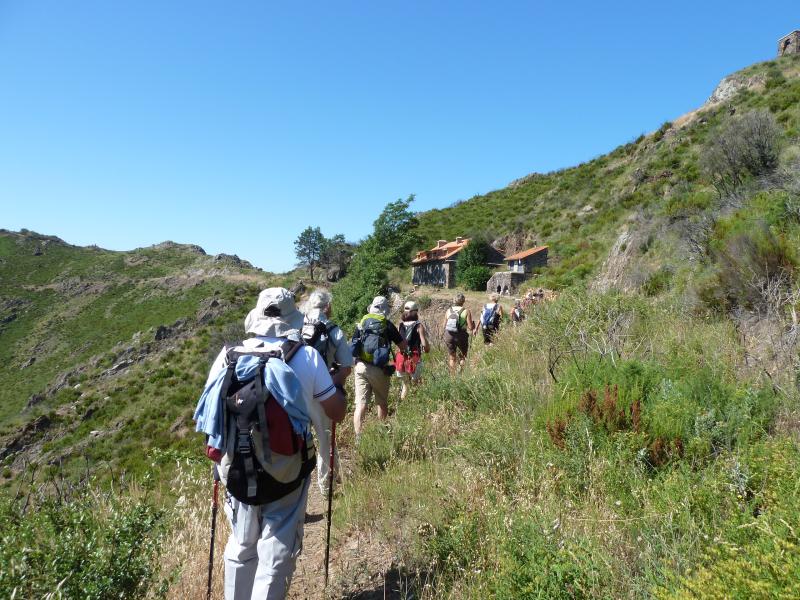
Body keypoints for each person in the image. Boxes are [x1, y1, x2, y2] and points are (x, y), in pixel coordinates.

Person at [195, 288, 346, 600]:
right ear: (292, 318)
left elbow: (211, 415)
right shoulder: (306, 356)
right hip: (286, 467)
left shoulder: (228, 355)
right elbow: (336, 412)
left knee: (242, 541)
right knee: (276, 548)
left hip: (235, 466)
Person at [300, 289, 352, 495]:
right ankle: (326, 485)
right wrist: (334, 383)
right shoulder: (333, 330)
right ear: (327, 307)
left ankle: (299, 486)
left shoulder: (297, 326)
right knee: (325, 438)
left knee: (300, 439)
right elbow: (347, 366)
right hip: (323, 391)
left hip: (298, 391)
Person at [352, 296, 407, 437]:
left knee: (360, 404)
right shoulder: (386, 324)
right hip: (379, 368)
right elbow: (402, 346)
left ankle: (358, 437)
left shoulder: (363, 322)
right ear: (385, 309)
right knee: (381, 402)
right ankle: (381, 433)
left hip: (360, 366)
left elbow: (354, 344)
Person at [394, 300, 430, 400]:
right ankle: (416, 403)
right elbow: (424, 343)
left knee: (405, 385)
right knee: (416, 384)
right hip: (413, 357)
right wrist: (427, 349)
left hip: (401, 357)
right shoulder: (419, 325)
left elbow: (398, 342)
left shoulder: (400, 325)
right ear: (415, 312)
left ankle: (403, 403)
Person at [442, 293, 475, 375]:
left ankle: (452, 377)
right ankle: (461, 374)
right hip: (461, 336)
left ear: (454, 301)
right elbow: (470, 327)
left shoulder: (448, 311)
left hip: (449, 335)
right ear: (463, 301)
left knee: (452, 358)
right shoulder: (466, 311)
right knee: (463, 356)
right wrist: (473, 325)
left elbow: (444, 325)